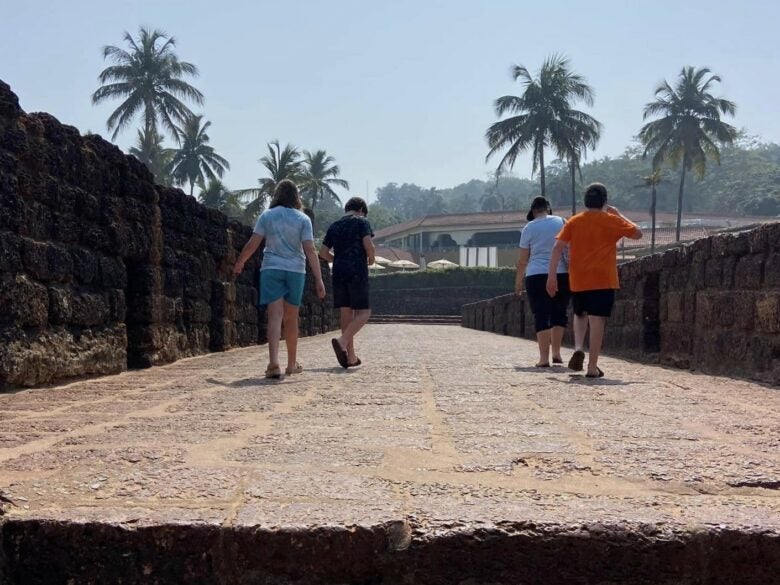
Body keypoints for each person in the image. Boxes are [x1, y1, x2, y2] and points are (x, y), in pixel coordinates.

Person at [546, 183, 642, 378]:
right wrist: (618, 214)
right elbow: (638, 233)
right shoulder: (611, 220)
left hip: (579, 277)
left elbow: (557, 248)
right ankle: (592, 366)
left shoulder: (574, 221)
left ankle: (579, 346)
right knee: (597, 319)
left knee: (580, 314)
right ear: (604, 201)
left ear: (586, 201)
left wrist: (552, 276)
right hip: (603, 278)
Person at [233, 180, 326, 379]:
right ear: (296, 197)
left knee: (274, 316)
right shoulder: (303, 219)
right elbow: (310, 249)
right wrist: (319, 278)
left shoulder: (267, 216)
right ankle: (292, 364)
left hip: (272, 267)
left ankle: (273, 362)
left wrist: (240, 261)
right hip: (295, 270)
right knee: (291, 318)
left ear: (277, 195)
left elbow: (253, 243)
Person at [319, 197, 375, 368]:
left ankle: (350, 356)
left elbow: (322, 252)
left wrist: (337, 259)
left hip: (338, 272)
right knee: (363, 313)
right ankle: (342, 341)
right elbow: (369, 245)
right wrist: (371, 259)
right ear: (361, 210)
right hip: (357, 270)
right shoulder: (361, 222)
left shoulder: (334, 226)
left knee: (346, 312)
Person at [516, 196, 570, 367]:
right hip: (561, 272)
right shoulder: (562, 222)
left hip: (536, 274)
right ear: (548, 209)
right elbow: (569, 249)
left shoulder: (528, 228)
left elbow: (523, 260)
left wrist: (518, 281)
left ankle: (543, 358)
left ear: (533, 211)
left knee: (541, 314)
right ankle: (557, 353)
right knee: (559, 313)